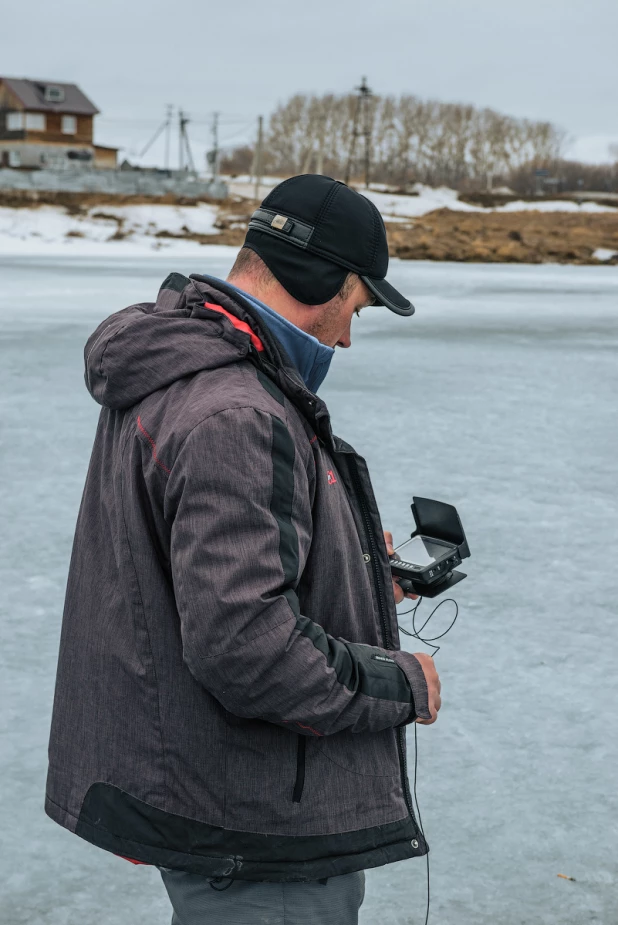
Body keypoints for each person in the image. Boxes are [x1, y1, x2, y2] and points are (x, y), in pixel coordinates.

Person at [46, 174, 441, 925]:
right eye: (354, 307)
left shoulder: (185, 369)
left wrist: (353, 565)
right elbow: (246, 649)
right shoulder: (236, 410)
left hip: (221, 803)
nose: (347, 338)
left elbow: (188, 566)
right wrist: (402, 682)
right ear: (322, 277)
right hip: (255, 828)